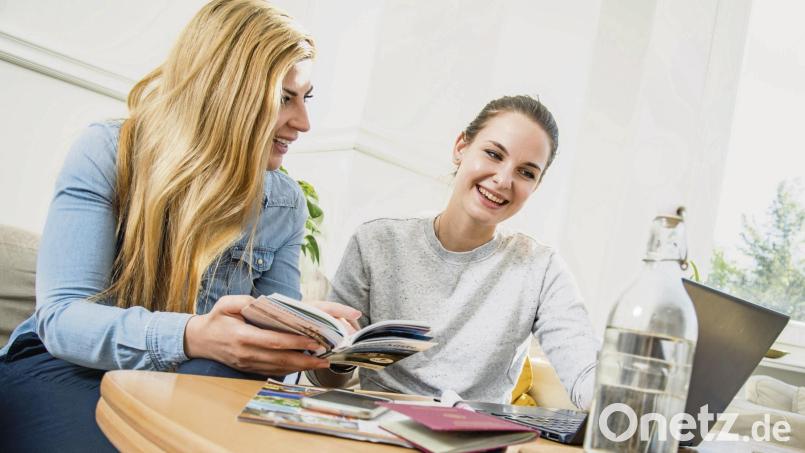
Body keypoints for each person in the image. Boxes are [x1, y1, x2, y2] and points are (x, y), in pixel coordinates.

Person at [0, 1, 360, 451]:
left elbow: (264, 353)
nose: (304, 123)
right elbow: (63, 320)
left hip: (191, 375)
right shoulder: (109, 152)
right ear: (224, 90)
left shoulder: (285, 203)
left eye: (306, 99)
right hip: (64, 363)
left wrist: (309, 338)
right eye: (284, 97)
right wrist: (193, 335)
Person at [309, 95, 599, 409]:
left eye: (526, 173)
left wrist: (622, 398)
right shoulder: (376, 241)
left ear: (536, 186)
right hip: (379, 428)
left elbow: (585, 369)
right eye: (493, 154)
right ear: (461, 147)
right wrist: (339, 355)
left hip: (474, 437)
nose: (503, 180)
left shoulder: (541, 268)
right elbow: (327, 380)